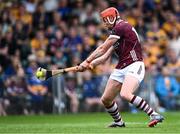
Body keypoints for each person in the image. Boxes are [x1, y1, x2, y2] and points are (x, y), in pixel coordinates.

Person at [77, 7, 164, 127]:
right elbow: (105, 56)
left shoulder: (121, 27)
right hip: (121, 66)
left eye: (105, 20)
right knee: (106, 99)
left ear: (111, 18)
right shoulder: (118, 33)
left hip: (134, 64)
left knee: (125, 94)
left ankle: (154, 114)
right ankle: (119, 122)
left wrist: (86, 60)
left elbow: (102, 48)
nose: (104, 23)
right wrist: (89, 65)